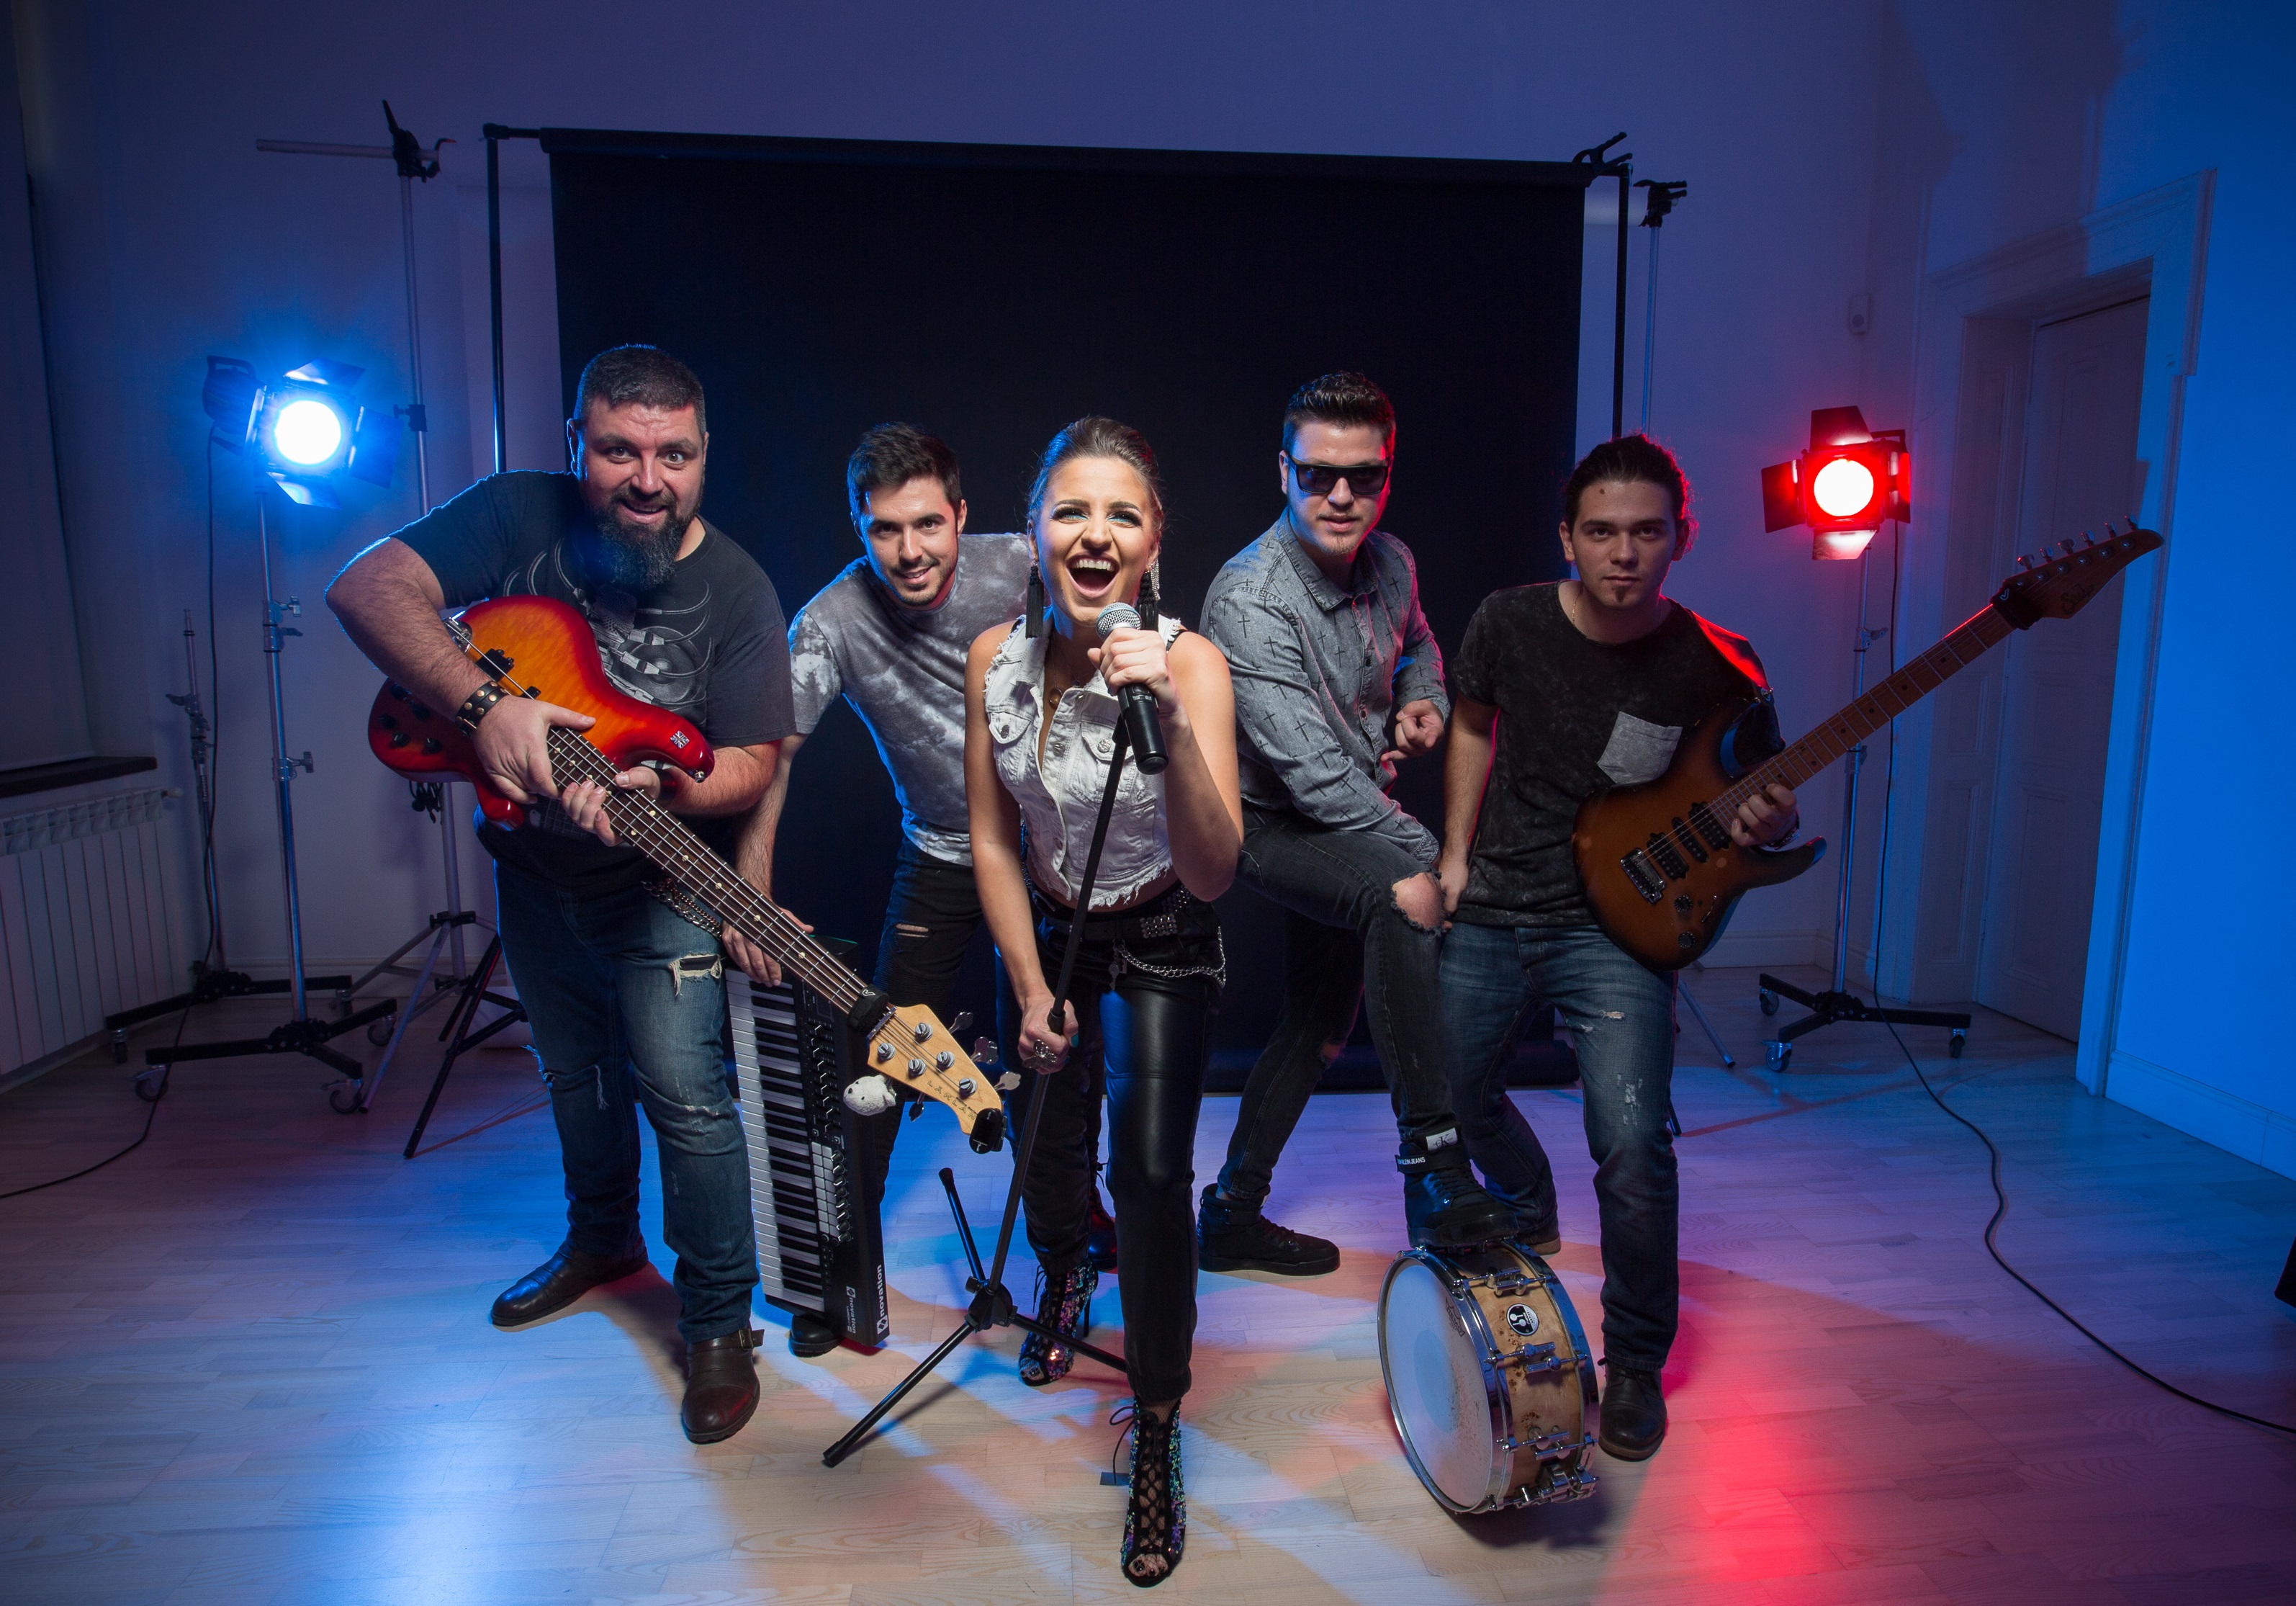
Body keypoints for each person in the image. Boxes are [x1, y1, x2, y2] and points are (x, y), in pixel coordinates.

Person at [325, 345, 789, 1446]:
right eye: (620, 450)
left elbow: (755, 760)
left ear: (704, 455)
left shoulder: (737, 587)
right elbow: (365, 587)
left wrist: (667, 787)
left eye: (674, 455)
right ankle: (601, 1242)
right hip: (530, 873)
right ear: (576, 443)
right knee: (574, 1075)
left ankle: (717, 1322)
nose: (648, 479)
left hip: (661, 878)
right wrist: (484, 708)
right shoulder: (515, 512)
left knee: (688, 1098)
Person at [1437, 434, 1799, 1463]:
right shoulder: (1507, 620)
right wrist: (1452, 854)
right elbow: (1472, 726)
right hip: (1496, 900)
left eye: (1647, 532)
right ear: (1568, 537)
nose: (1624, 553)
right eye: (1601, 531)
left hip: (1618, 925)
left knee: (1635, 1143)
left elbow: (1761, 795)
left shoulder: (1721, 660)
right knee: (1452, 1099)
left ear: (1683, 537)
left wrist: (1770, 821)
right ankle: (1525, 1195)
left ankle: (1635, 1360)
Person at [724, 423, 1112, 1360]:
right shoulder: (832, 620)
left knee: (1052, 1056)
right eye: (885, 529)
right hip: (940, 850)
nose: (909, 551)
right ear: (859, 529)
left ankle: (1068, 1256)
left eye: (927, 524)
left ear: (961, 515)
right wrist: (752, 896)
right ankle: (836, 1273)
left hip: (1050, 856)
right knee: (884, 1060)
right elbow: (773, 753)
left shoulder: (1026, 562)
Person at [966, 417, 1238, 1587]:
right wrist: (1030, 985)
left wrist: (1167, 718)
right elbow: (990, 837)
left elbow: (1215, 869)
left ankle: (1159, 1415)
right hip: (1045, 928)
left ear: (1153, 541)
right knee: (1048, 1132)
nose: (1094, 533)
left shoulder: (1192, 665)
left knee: (1152, 1171)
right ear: (1034, 529)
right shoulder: (992, 657)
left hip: (1163, 928)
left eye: (1121, 513)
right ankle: (1066, 1269)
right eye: (1070, 509)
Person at [1197, 372, 1514, 1270]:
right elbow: (1315, 782)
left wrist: (1422, 697)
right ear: (1284, 471)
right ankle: (1436, 1168)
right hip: (1269, 822)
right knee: (1408, 898)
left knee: (1318, 1023)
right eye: (1317, 474)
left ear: (1387, 474)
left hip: (1349, 809)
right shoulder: (1250, 599)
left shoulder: (1393, 561)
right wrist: (1438, 862)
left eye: (1363, 476)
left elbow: (1421, 643)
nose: (1340, 495)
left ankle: (1229, 1213)